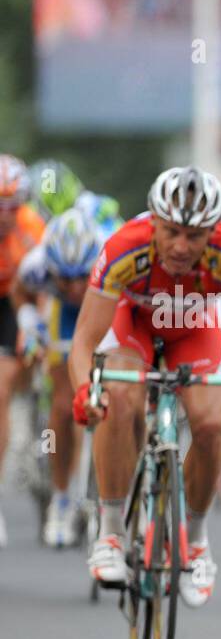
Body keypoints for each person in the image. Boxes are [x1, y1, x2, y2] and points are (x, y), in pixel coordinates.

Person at [69, 166, 221, 604]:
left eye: (195, 236)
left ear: (212, 233)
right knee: (118, 397)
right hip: (133, 325)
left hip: (195, 328)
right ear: (154, 222)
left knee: (209, 422)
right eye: (172, 232)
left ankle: (195, 541)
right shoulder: (124, 246)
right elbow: (84, 340)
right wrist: (87, 390)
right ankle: (110, 533)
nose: (182, 246)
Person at [11, 205, 120, 546]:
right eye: (64, 278)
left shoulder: (113, 259)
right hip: (65, 320)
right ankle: (60, 497)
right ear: (51, 269)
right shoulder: (36, 266)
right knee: (61, 404)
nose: (73, 286)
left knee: (116, 392)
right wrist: (30, 325)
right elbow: (19, 292)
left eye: (80, 276)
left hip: (105, 307)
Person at [0, 155, 45, 548]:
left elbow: (50, 288)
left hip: (20, 303)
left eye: (12, 206)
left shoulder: (33, 229)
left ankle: (28, 408)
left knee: (8, 384)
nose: (5, 216)